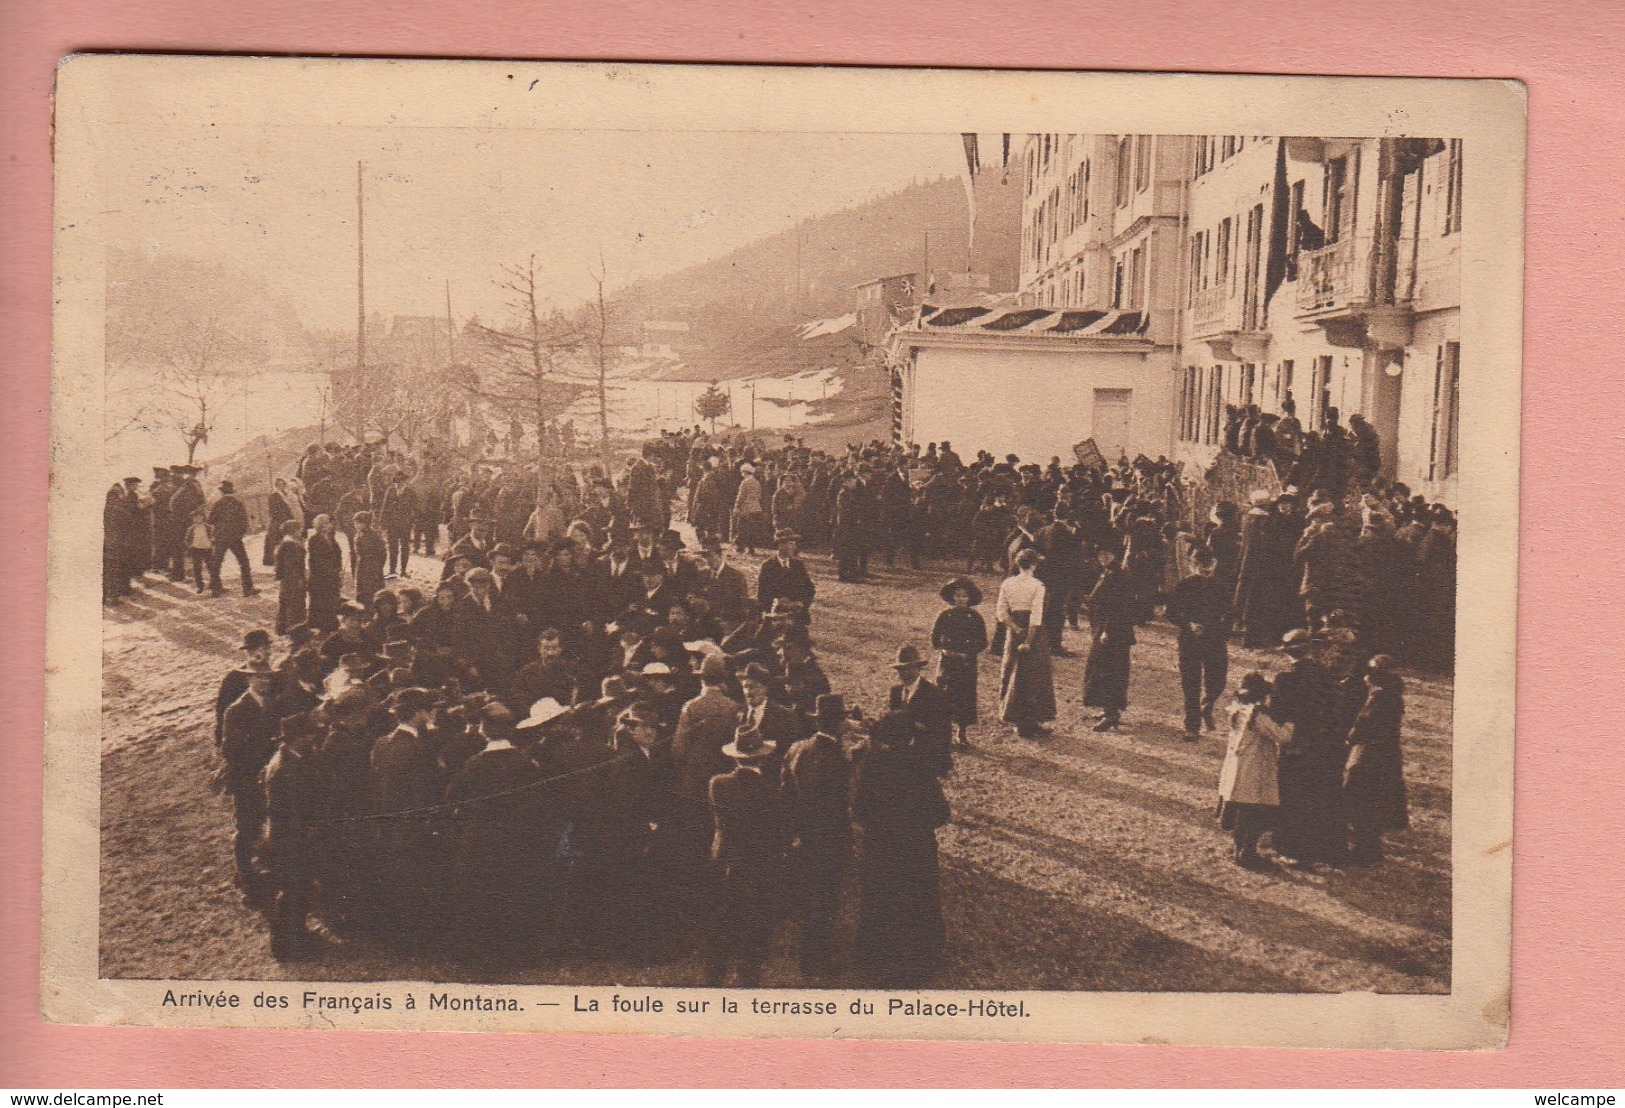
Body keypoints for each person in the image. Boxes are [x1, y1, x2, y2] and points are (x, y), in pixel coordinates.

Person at [851, 710, 949, 987]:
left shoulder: (873, 766)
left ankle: (876, 956)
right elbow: (941, 813)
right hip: (916, 850)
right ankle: (920, 957)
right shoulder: (920, 767)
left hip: (880, 848)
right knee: (917, 899)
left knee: (881, 899)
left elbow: (858, 809)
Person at [704, 722, 786, 987]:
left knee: (723, 915)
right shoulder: (771, 790)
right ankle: (747, 970)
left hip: (726, 857)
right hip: (759, 862)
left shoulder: (718, 784)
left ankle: (715, 969)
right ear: (763, 757)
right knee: (756, 917)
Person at [780, 693, 853, 980]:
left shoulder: (798, 749)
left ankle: (807, 959)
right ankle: (816, 963)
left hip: (802, 836)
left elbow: (786, 795)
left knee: (807, 897)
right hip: (828, 840)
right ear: (838, 724)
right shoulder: (837, 759)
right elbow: (838, 807)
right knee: (825, 903)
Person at [262, 709, 327, 960]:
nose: (312, 738)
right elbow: (289, 810)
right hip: (289, 840)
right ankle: (285, 947)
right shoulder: (285, 768)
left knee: (298, 889)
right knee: (292, 891)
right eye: (309, 735)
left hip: (294, 837)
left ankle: (298, 934)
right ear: (298, 738)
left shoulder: (293, 758)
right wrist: (309, 829)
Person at [220, 660, 281, 905]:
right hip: (246, 778)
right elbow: (230, 748)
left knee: (268, 821)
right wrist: (258, 760)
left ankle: (266, 868)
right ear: (249, 680)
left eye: (267, 678)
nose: (264, 682)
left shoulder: (273, 704)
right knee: (246, 829)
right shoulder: (236, 710)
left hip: (268, 775)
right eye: (259, 677)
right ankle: (246, 879)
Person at [1216, 673, 1292, 868]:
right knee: (1255, 811)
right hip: (1255, 766)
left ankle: (1239, 847)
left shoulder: (1237, 711)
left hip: (1238, 765)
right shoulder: (1257, 716)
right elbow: (1281, 736)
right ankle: (1247, 853)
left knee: (1242, 811)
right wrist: (1291, 723)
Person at [1342, 654, 1409, 865]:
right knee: (1376, 802)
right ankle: (1370, 848)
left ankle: (1366, 851)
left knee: (1362, 798)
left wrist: (1349, 738)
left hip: (1369, 755)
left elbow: (1364, 725)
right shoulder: (1394, 695)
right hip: (1386, 756)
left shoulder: (1380, 696)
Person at [1164, 547, 1231, 741]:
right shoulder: (1184, 586)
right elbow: (1171, 613)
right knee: (1191, 683)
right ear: (1192, 565)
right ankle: (1192, 726)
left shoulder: (1220, 586)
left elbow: (1230, 612)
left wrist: (1221, 629)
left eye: (1208, 564)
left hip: (1214, 639)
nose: (1204, 568)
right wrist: (1188, 624)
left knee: (1217, 680)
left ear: (1214, 564)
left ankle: (1208, 704)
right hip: (1190, 640)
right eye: (1200, 564)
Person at [995, 548, 1056, 740]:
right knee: (1033, 675)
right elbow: (1036, 616)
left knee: (1012, 671)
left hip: (1014, 632)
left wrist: (1015, 629)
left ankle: (1014, 718)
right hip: (1034, 634)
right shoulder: (1037, 585)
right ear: (1034, 566)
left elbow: (1001, 613)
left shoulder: (1007, 583)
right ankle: (1030, 721)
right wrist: (1028, 640)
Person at [1082, 542, 1136, 732]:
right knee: (1105, 670)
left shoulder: (1119, 576)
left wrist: (1108, 630)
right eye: (1100, 554)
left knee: (1109, 671)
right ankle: (1109, 710)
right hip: (1106, 628)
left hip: (1113, 631)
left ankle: (1111, 713)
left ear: (1115, 555)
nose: (1103, 557)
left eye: (1107, 553)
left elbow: (1119, 608)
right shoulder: (1107, 572)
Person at [930, 576, 989, 746]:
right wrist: (945, 650)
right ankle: (944, 732)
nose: (961, 599)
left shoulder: (975, 617)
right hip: (948, 664)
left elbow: (983, 642)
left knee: (965, 696)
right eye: (957, 596)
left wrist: (968, 652)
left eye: (964, 596)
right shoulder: (945, 616)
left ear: (970, 598)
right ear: (951, 597)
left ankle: (961, 732)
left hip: (966, 664)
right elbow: (935, 639)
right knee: (945, 695)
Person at [887, 645, 953, 778]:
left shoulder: (933, 694)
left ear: (918, 668)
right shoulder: (895, 692)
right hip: (899, 755)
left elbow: (942, 732)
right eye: (900, 669)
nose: (903, 673)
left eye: (908, 668)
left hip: (924, 758)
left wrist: (942, 765)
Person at [207, 479, 257, 597]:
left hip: (220, 537)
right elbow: (244, 521)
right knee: (243, 562)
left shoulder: (217, 504)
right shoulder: (238, 503)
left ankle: (216, 589)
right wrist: (240, 533)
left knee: (217, 562)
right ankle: (247, 588)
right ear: (232, 492)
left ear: (222, 492)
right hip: (235, 537)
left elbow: (210, 520)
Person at [757, 529, 816, 618]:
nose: (793, 547)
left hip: (798, 615)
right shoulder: (768, 566)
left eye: (793, 544)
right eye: (790, 544)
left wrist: (800, 603)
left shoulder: (798, 565)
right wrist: (777, 602)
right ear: (780, 546)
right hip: (775, 616)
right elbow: (762, 594)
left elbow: (810, 589)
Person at [305, 514, 344, 632]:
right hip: (320, 576)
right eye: (327, 523)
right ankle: (323, 624)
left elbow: (337, 554)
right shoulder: (314, 540)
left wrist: (338, 568)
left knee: (331, 598)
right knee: (322, 600)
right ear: (321, 526)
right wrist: (330, 570)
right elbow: (316, 560)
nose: (330, 525)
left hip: (332, 573)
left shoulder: (331, 538)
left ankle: (330, 621)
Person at [272, 521, 307, 635]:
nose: (301, 531)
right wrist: (299, 579)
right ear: (294, 531)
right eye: (299, 529)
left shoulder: (286, 542)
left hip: (286, 579)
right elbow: (291, 565)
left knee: (285, 601)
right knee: (295, 603)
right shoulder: (290, 545)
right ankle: (295, 629)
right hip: (292, 579)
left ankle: (281, 629)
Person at [351, 510, 387, 604]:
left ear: (364, 523)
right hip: (363, 566)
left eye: (357, 523)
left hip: (371, 566)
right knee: (362, 588)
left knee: (371, 589)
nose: (355, 525)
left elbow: (382, 553)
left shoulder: (373, 536)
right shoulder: (359, 534)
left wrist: (378, 565)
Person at [185, 509, 213, 594]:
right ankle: (200, 586)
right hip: (196, 549)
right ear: (193, 519)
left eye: (198, 517)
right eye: (195, 518)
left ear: (202, 517)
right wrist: (190, 546)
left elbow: (213, 536)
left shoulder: (208, 527)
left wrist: (211, 543)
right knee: (197, 568)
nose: (197, 519)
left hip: (207, 548)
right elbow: (187, 539)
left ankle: (213, 583)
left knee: (211, 566)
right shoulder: (191, 529)